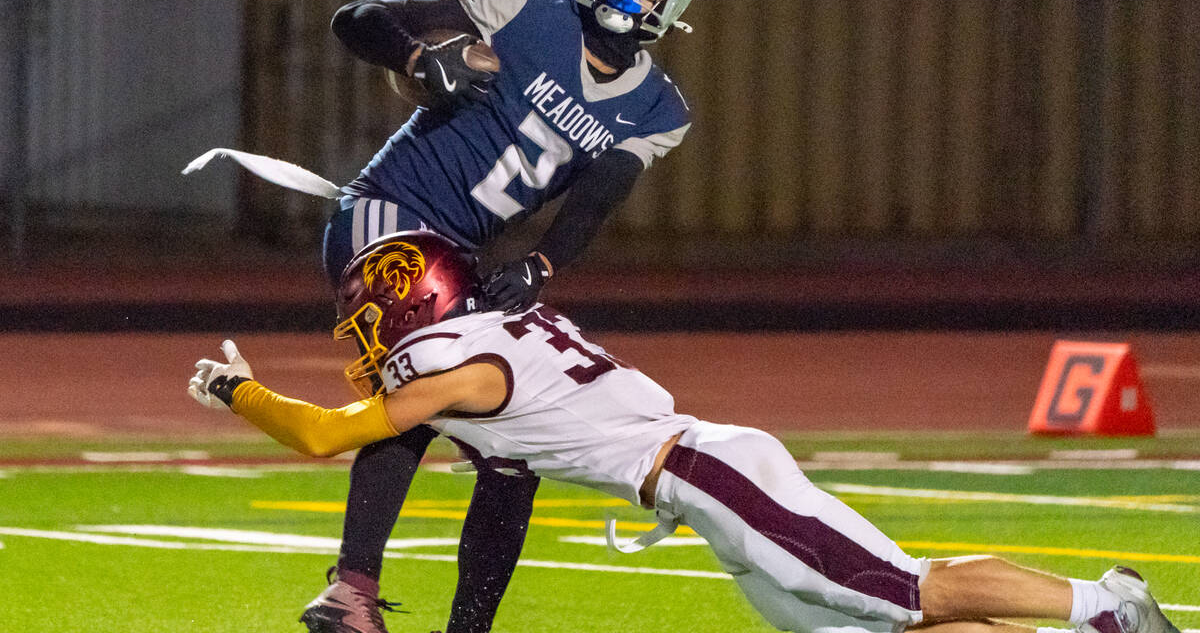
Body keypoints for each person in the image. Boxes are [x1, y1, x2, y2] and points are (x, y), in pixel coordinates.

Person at [188, 230, 1181, 633]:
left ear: (421, 296)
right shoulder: (481, 356)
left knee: (907, 588)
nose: (367, 325)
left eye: (375, 306)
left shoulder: (466, 363)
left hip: (707, 471)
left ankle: (1105, 601)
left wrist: (236, 389)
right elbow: (502, 494)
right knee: (876, 626)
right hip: (699, 487)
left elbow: (328, 435)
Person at [315, 0, 700, 633]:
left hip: (461, 253)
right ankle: (351, 591)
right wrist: (418, 60)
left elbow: (593, 204)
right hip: (386, 212)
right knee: (425, 388)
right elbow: (356, 16)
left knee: (515, 444)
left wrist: (542, 265)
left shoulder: (656, 108)